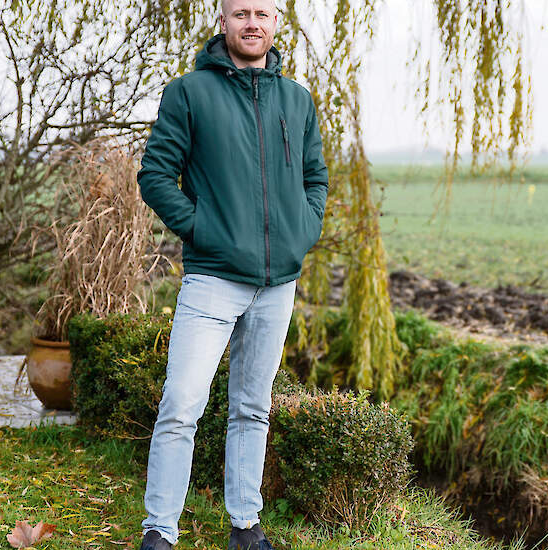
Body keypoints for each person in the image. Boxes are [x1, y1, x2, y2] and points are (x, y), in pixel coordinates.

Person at [135, 0, 328, 548]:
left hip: (277, 286)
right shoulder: (190, 93)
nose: (252, 23)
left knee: (252, 408)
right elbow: (155, 176)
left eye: (262, 13)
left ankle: (245, 526)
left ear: (276, 23)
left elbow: (316, 178)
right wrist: (204, 230)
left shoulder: (297, 100)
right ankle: (160, 533)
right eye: (240, 12)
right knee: (182, 405)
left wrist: (301, 232)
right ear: (222, 20)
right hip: (213, 280)